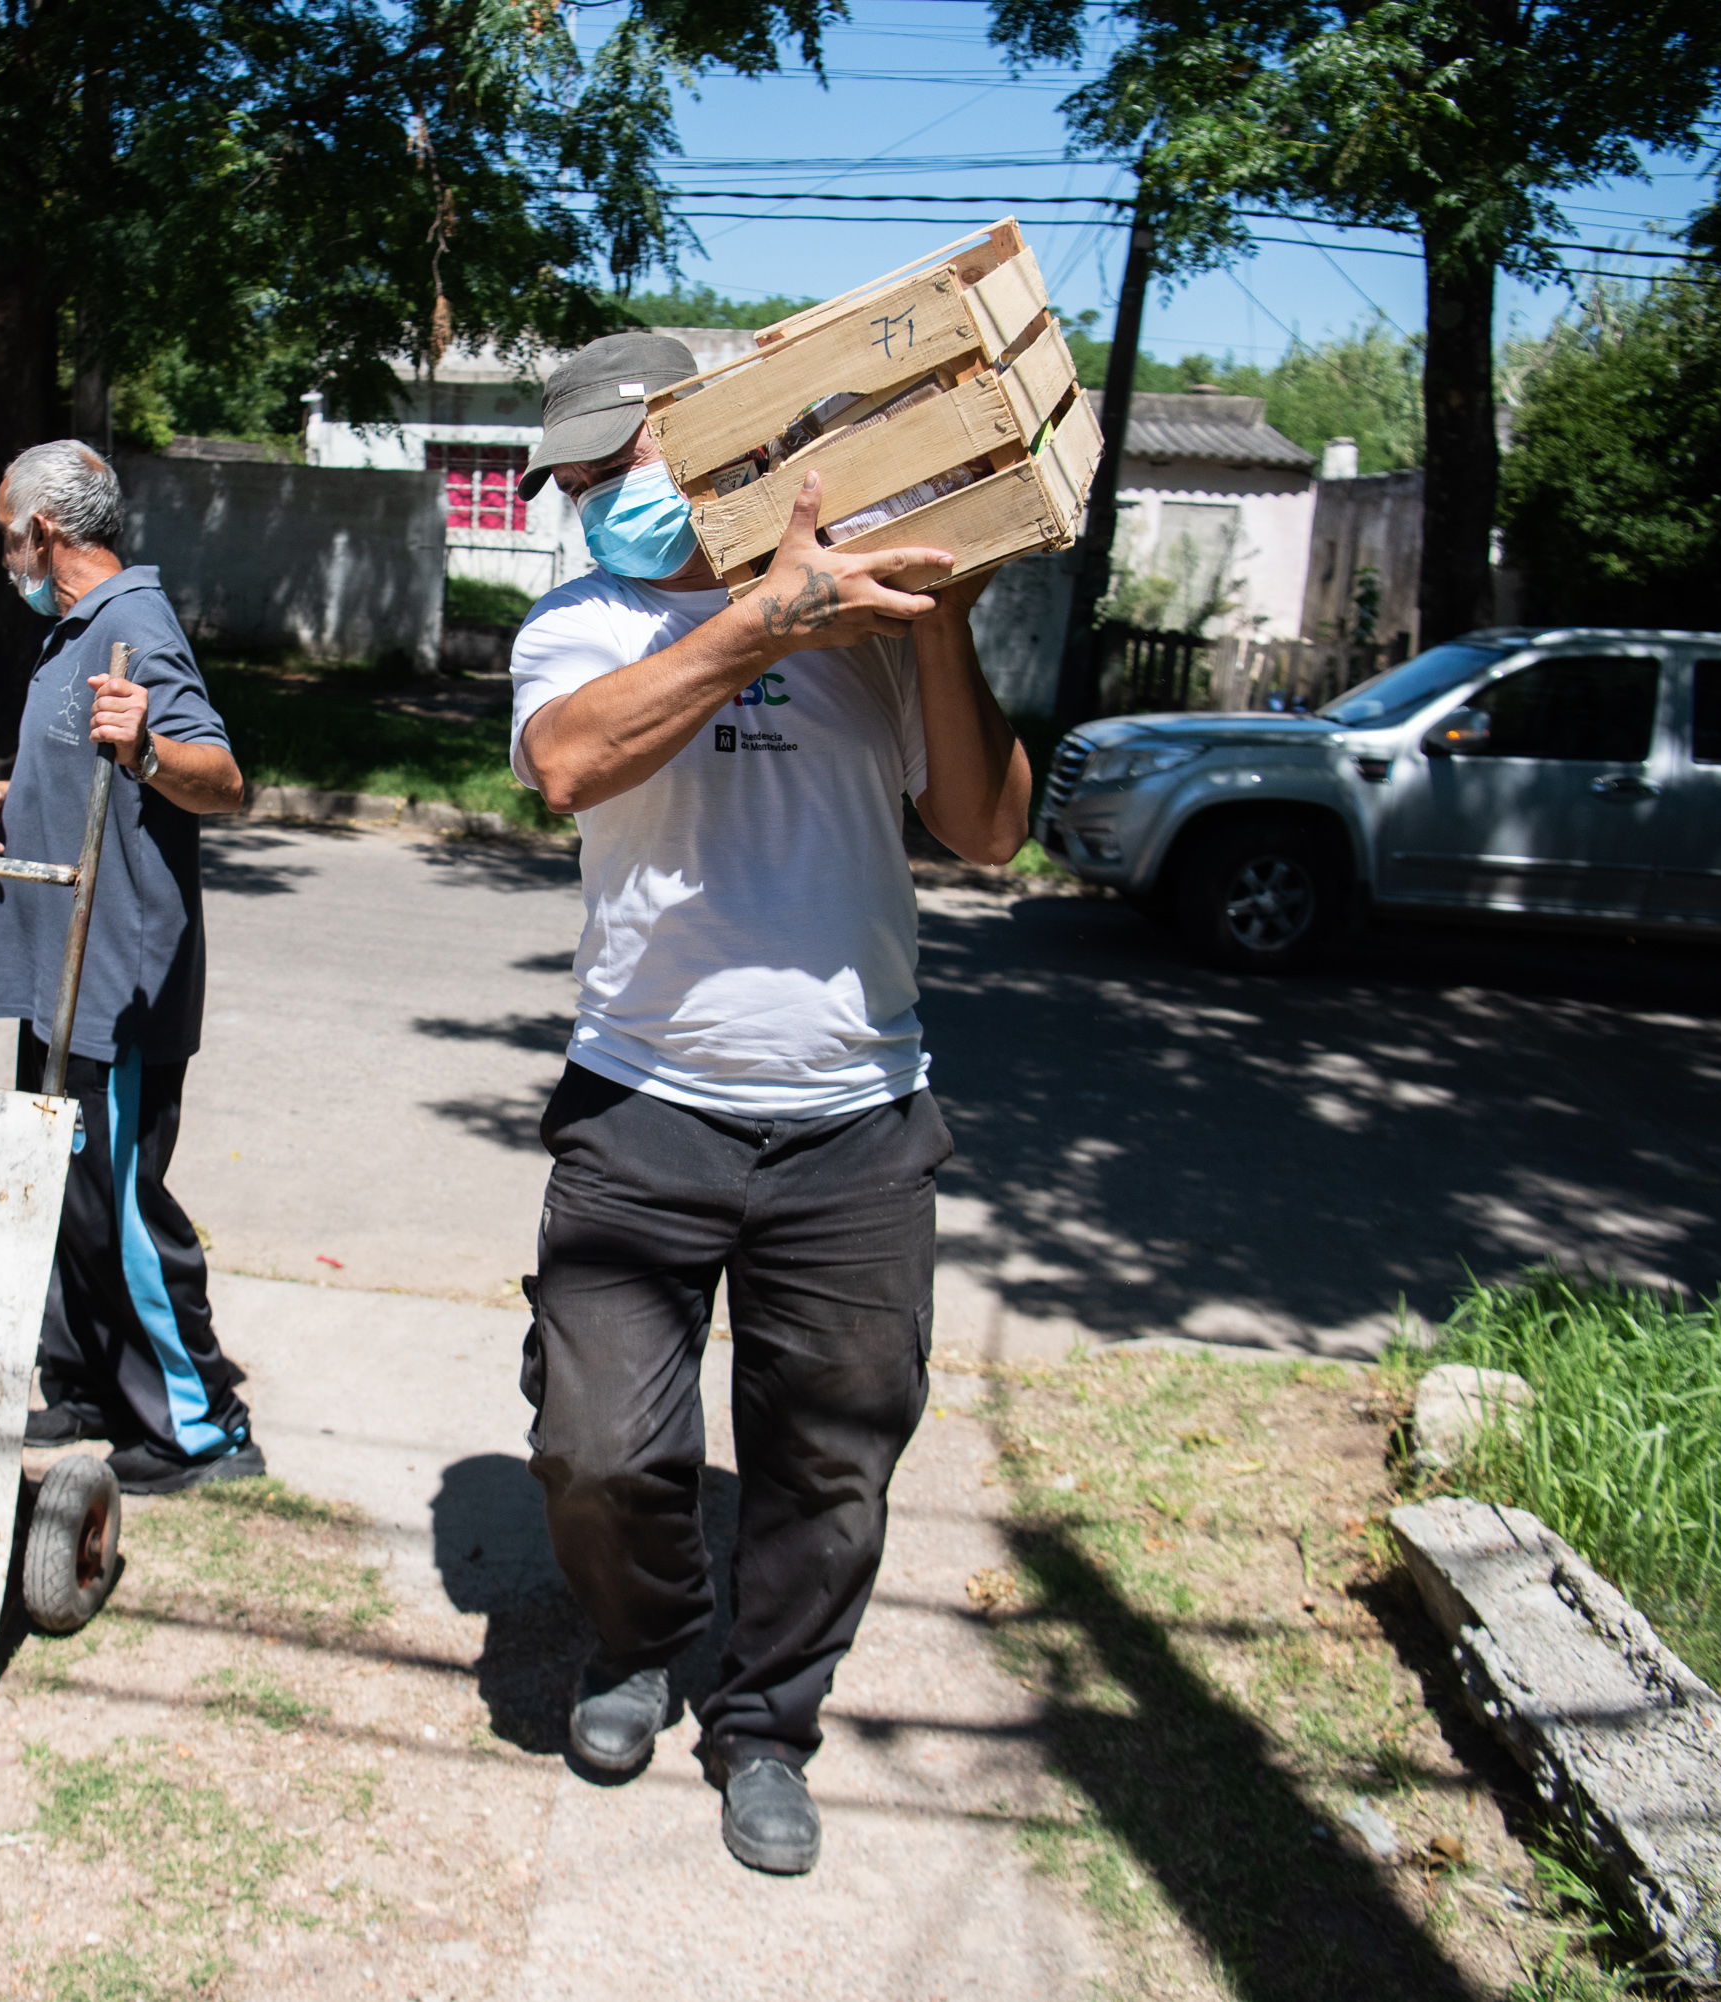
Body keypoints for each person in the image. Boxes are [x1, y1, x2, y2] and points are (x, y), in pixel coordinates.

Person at [505, 331, 1032, 1876]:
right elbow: (568, 765)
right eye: (581, 475)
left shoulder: (868, 628)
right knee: (595, 1447)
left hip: (858, 1121)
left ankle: (768, 1722)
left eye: (621, 462)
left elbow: (989, 833)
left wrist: (932, 626)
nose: (601, 494)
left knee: (831, 1461)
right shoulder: (581, 619)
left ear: (716, 443)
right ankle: (641, 1639)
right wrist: (756, 623)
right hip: (641, 1106)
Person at [0, 439, 263, 1496]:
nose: (6, 557)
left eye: (8, 537)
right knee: (68, 1192)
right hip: (60, 971)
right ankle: (84, 1380)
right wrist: (14, 790)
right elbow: (88, 764)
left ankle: (202, 1424)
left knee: (124, 1202)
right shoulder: (80, 628)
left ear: (44, 530)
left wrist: (148, 750)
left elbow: (222, 779)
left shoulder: (134, 625)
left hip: (118, 985)